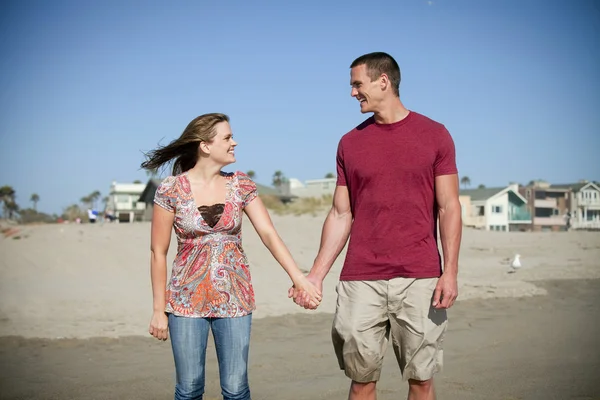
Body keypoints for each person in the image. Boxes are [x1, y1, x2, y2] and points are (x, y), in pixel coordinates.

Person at [290, 52, 462, 400]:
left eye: (357, 84)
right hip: (361, 280)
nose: (353, 93)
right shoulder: (349, 143)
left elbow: (449, 207)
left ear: (383, 81)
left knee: (421, 380)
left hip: (420, 276)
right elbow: (341, 214)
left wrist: (451, 272)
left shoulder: (435, 135)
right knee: (361, 380)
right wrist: (316, 275)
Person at [141, 112, 322, 400]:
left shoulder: (241, 184)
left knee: (236, 390)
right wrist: (157, 310)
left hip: (235, 298)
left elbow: (268, 234)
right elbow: (157, 252)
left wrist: (299, 278)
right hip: (185, 301)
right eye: (227, 137)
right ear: (205, 145)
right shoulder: (170, 189)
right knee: (188, 389)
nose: (234, 142)